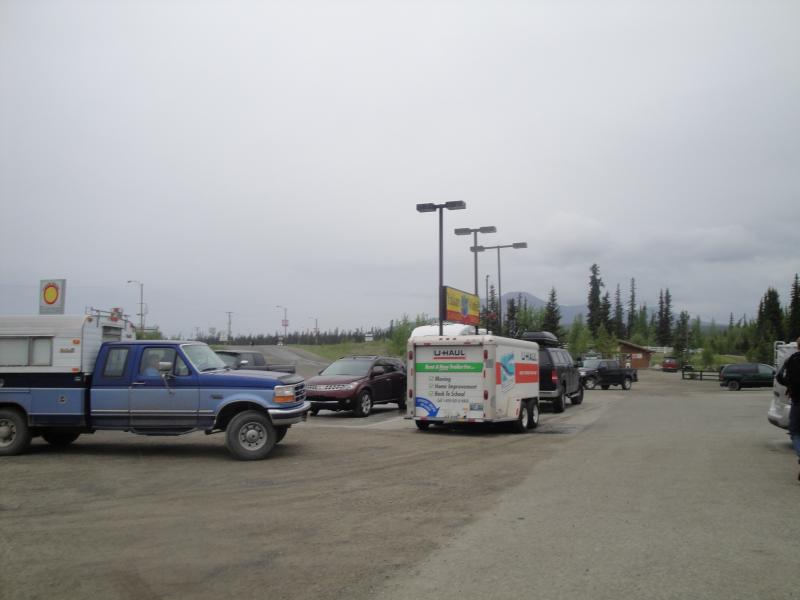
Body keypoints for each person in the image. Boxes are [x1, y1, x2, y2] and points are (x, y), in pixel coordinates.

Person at [776, 336, 800, 481]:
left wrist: (789, 385)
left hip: (797, 401)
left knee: (795, 432)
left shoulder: (791, 359)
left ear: (797, 346)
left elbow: (779, 376)